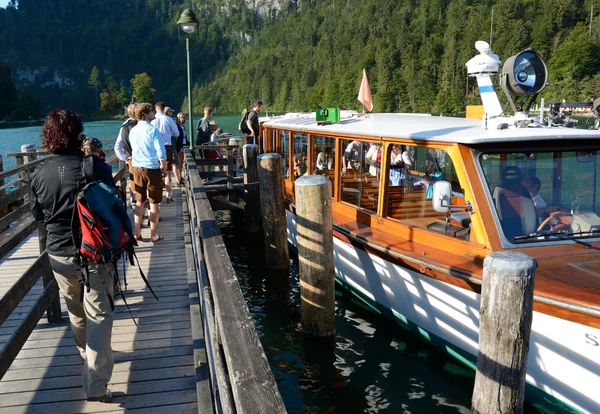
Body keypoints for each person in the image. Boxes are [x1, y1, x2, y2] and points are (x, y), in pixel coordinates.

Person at [30, 109, 116, 403]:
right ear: (78, 134)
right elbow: (112, 207)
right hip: (92, 254)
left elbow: (38, 216)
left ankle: (87, 355)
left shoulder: (39, 172)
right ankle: (95, 385)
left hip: (58, 255)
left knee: (76, 311)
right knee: (99, 314)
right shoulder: (94, 167)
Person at [130, 103, 167, 243]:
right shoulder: (153, 130)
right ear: (145, 114)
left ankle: (137, 233)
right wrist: (163, 167)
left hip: (137, 168)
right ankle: (153, 235)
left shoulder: (133, 130)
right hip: (151, 168)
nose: (154, 113)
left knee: (139, 202)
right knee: (154, 203)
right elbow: (161, 152)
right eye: (151, 111)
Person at [151, 102, 179, 203]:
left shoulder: (152, 120)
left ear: (156, 109)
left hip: (154, 148)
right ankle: (168, 196)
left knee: (155, 172)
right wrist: (168, 133)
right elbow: (177, 133)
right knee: (168, 172)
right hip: (167, 146)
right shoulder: (168, 119)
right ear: (164, 109)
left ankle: (157, 196)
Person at [114, 103, 138, 206]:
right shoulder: (143, 126)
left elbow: (117, 147)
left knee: (133, 182)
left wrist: (125, 159)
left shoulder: (124, 127)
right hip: (145, 159)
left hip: (131, 159)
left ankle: (134, 202)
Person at [196, 107, 214, 173]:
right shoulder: (205, 122)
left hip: (199, 142)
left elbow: (198, 130)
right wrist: (213, 131)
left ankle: (204, 174)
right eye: (211, 114)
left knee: (202, 159)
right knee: (206, 159)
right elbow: (205, 133)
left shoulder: (200, 120)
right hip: (203, 143)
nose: (211, 115)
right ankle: (206, 175)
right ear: (209, 114)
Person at [174, 112, 189, 186]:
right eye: (180, 117)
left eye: (183, 117)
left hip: (183, 145)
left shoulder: (182, 126)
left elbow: (184, 137)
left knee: (181, 163)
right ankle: (178, 179)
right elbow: (177, 137)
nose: (182, 119)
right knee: (177, 163)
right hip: (178, 147)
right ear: (178, 118)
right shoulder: (176, 126)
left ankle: (180, 177)